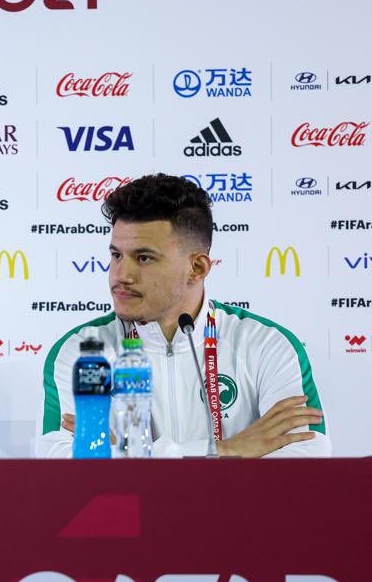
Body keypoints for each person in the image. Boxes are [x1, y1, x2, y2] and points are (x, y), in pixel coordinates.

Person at [37, 173, 329, 458]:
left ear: (198, 268)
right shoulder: (83, 350)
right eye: (116, 255)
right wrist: (228, 450)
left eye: (143, 258)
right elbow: (62, 459)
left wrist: (129, 455)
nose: (121, 275)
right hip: (129, 509)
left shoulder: (266, 344)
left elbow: (305, 456)